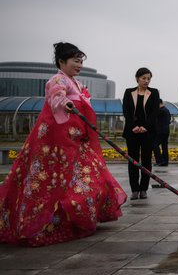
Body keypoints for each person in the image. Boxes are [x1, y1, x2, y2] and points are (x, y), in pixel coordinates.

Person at [0, 42, 126, 246]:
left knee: (91, 177)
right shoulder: (57, 79)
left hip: (76, 140)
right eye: (76, 61)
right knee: (53, 182)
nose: (79, 65)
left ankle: (78, 217)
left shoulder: (76, 83)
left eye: (81, 61)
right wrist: (64, 103)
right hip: (57, 143)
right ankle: (54, 222)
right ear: (61, 61)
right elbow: (56, 96)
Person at [122, 68, 160, 200]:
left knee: (146, 160)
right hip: (132, 132)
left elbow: (155, 113)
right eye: (143, 78)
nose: (146, 81)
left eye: (148, 78)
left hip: (147, 132)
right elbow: (126, 112)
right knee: (132, 161)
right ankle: (134, 190)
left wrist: (145, 127)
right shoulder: (129, 92)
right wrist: (134, 126)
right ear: (137, 78)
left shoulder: (154, 93)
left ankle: (143, 189)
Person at [153, 99, 171, 167]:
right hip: (166, 130)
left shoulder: (160, 111)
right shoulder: (166, 110)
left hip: (160, 131)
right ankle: (165, 162)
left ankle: (159, 161)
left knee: (154, 145)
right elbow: (169, 120)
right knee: (164, 146)